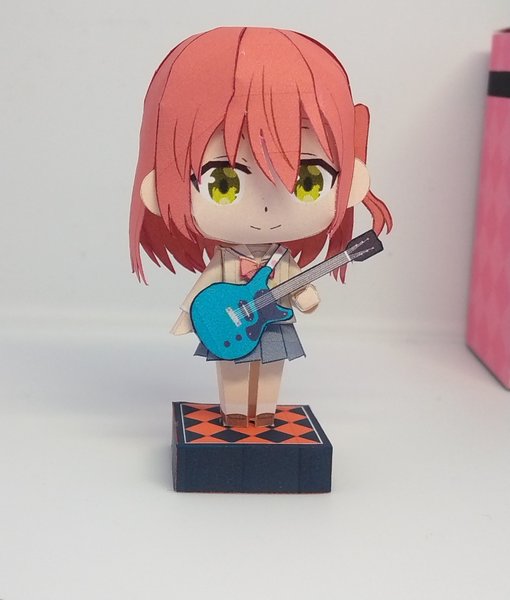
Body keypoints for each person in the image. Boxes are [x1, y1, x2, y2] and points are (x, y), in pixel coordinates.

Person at [129, 27, 392, 427]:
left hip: (272, 322)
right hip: (230, 327)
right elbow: (205, 291)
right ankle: (235, 413)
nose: (269, 203)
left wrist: (305, 295)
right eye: (224, 183)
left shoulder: (281, 260)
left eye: (308, 180)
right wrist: (191, 317)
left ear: (352, 179)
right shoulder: (226, 260)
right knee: (233, 371)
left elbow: (299, 287)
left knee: (272, 366)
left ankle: (265, 413)